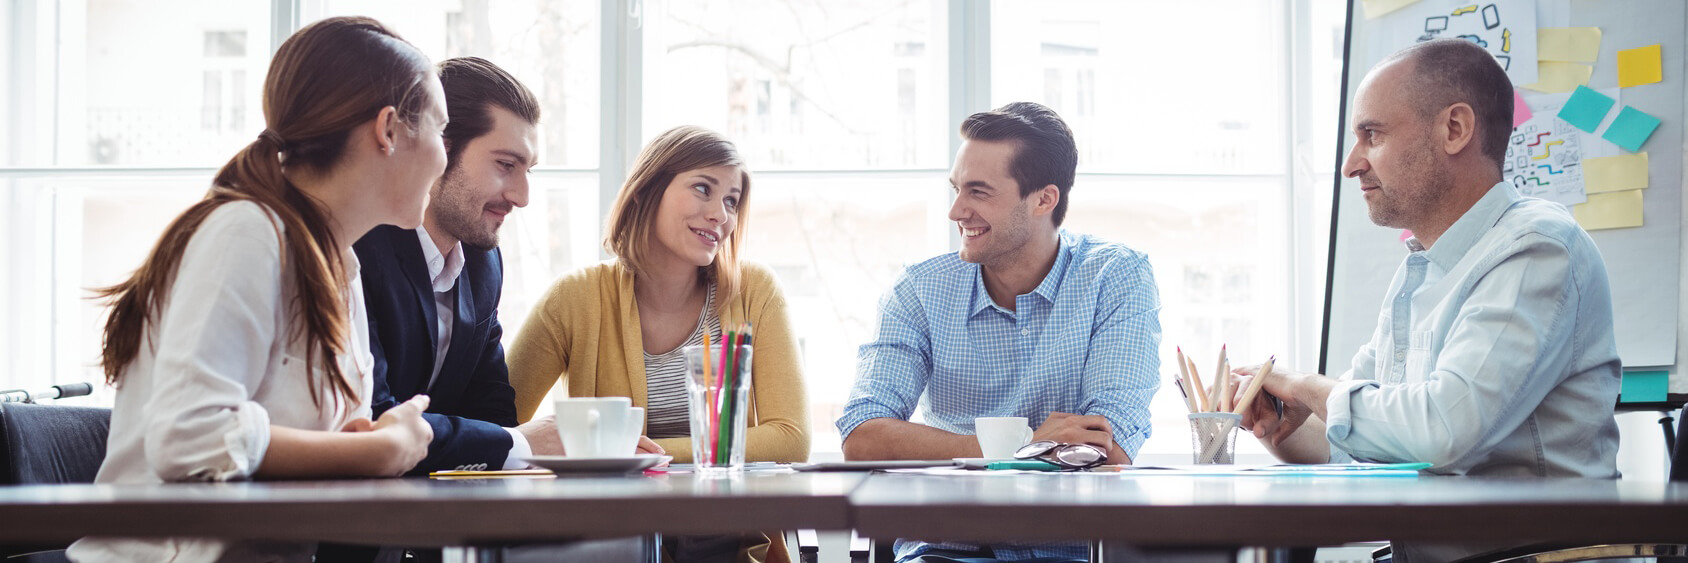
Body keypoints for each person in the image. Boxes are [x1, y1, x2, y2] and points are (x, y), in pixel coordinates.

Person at [69, 16, 440, 562]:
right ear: (388, 130)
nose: (443, 156)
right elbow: (188, 437)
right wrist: (381, 448)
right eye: (440, 130)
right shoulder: (247, 232)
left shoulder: (340, 265)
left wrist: (363, 444)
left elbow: (315, 449)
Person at [1235, 39, 1621, 562]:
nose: (1351, 165)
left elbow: (1443, 429)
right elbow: (1354, 439)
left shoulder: (1538, 248)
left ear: (1455, 130)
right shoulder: (1420, 271)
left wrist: (1305, 386)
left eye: (1371, 135)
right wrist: (1275, 422)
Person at [836, 101, 1162, 563]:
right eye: (956, 189)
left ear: (1043, 199)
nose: (955, 211)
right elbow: (863, 436)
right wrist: (1016, 449)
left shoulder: (1114, 277)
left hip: (1067, 552)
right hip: (943, 550)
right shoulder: (920, 290)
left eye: (978, 192)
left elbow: (1108, 448)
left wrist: (977, 455)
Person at [507, 125, 807, 562]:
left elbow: (790, 438)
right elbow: (496, 427)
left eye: (731, 201)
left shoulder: (755, 291)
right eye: (703, 189)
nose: (721, 215)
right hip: (610, 542)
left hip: (729, 543)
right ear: (649, 189)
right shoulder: (575, 298)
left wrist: (630, 454)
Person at [354, 56, 551, 475]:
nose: (522, 196)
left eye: (528, 170)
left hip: (440, 525)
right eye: (505, 165)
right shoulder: (359, 248)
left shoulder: (484, 263)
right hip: (342, 526)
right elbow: (372, 418)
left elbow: (491, 411)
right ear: (440, 150)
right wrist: (522, 443)